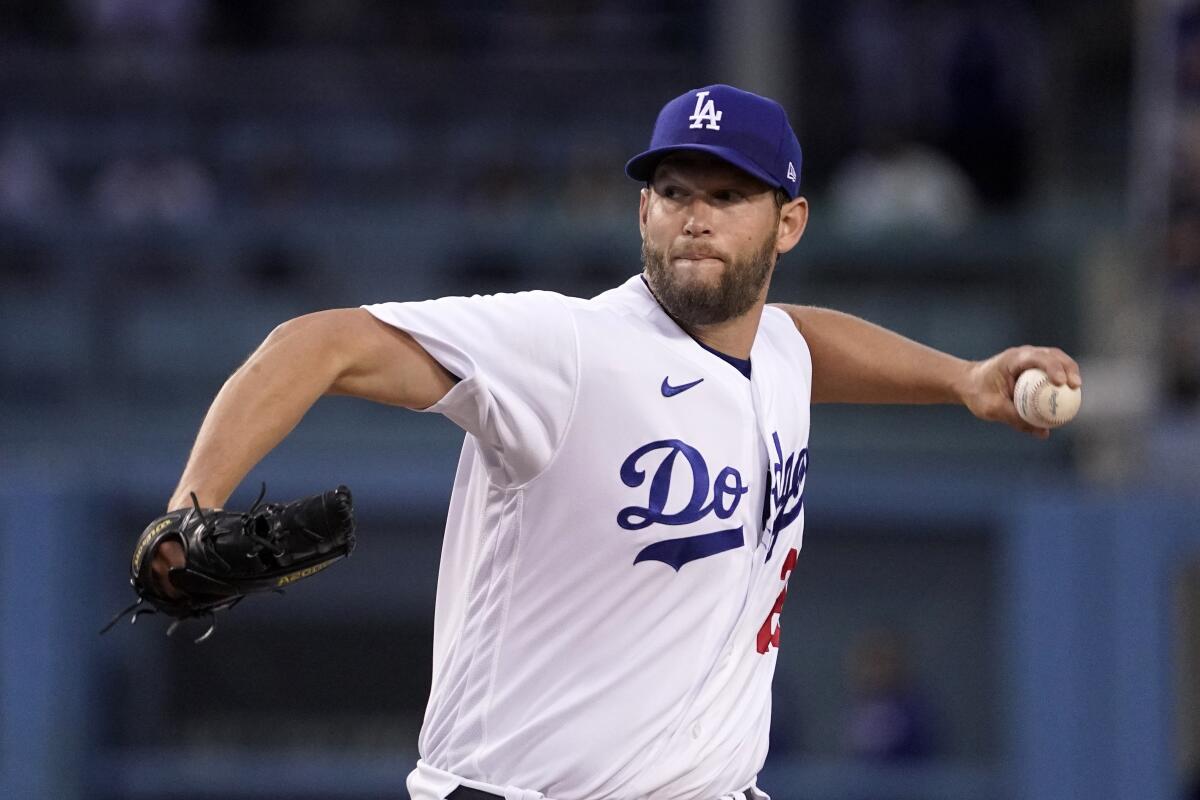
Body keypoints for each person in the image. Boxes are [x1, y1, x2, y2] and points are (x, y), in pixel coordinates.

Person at [147, 84, 1082, 800]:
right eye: (673, 190)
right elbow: (320, 342)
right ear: (642, 211)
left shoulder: (777, 353)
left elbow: (800, 340)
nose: (695, 215)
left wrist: (962, 380)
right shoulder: (570, 350)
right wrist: (194, 507)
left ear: (789, 221)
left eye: (729, 193)